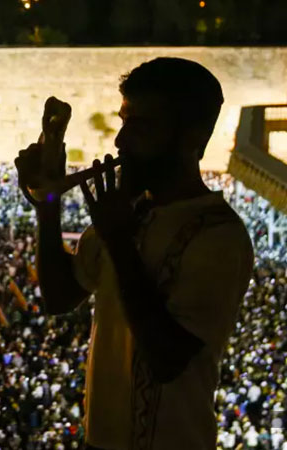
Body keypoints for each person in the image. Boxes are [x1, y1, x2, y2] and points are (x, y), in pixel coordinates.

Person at [16, 57, 255, 449]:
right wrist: (47, 205)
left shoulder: (219, 236)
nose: (120, 141)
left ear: (192, 138)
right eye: (124, 121)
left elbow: (167, 360)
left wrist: (119, 243)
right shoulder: (129, 213)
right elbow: (58, 297)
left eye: (142, 127)